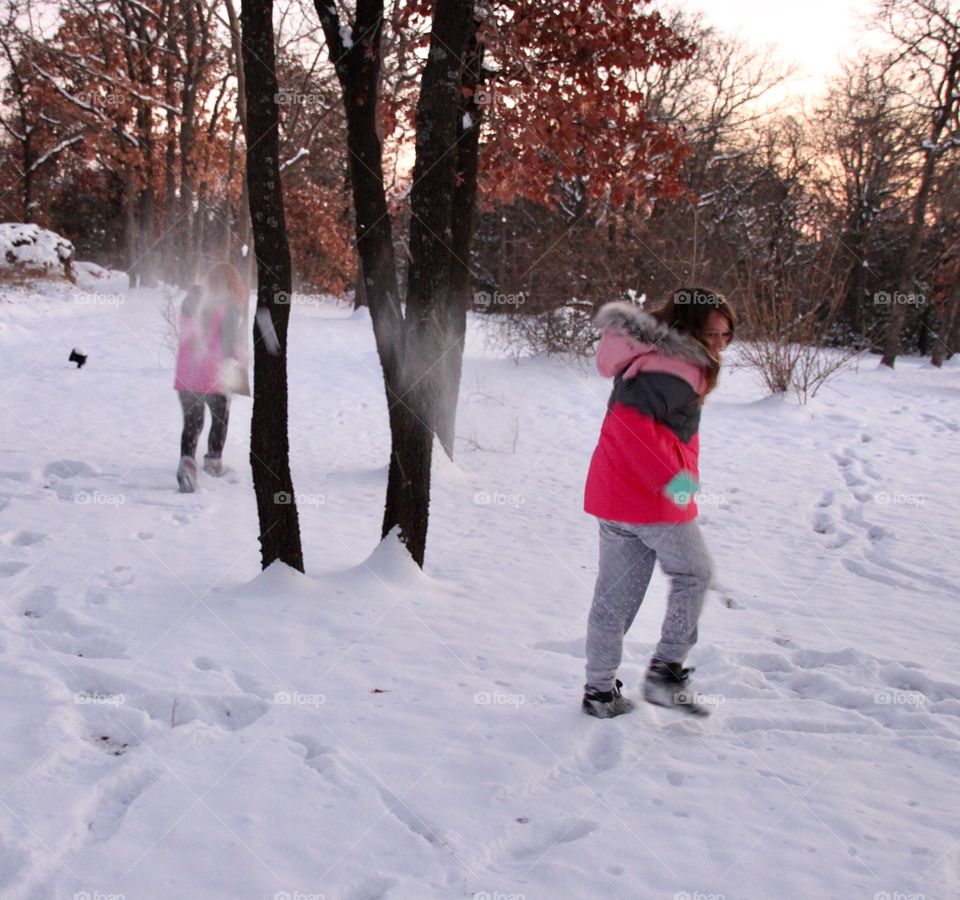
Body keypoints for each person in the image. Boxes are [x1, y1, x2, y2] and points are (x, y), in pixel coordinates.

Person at [581, 287, 736, 717]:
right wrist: (679, 488)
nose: (720, 344)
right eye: (713, 334)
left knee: (613, 601)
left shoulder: (650, 355)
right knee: (695, 573)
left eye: (727, 336)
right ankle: (666, 673)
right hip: (651, 502)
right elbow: (633, 427)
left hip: (614, 497)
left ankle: (599, 692)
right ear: (689, 328)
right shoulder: (677, 365)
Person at [173, 262, 250, 492]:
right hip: (215, 374)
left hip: (187, 373)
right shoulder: (231, 308)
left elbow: (186, 333)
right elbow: (231, 346)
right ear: (233, 285)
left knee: (192, 422)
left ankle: (187, 462)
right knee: (220, 418)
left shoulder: (192, 299)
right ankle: (214, 461)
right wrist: (242, 362)